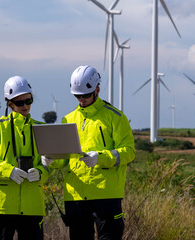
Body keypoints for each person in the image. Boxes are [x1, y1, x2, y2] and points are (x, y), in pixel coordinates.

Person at [43, 65, 136, 240]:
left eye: (85, 95)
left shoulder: (115, 117)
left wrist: (100, 158)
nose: (81, 99)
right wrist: (51, 159)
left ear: (97, 90)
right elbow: (64, 159)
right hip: (76, 195)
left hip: (106, 194)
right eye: (77, 96)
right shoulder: (68, 119)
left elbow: (129, 152)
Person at [0, 76, 49, 240]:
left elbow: (52, 163)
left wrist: (42, 171)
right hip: (1, 207)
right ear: (9, 103)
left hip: (32, 207)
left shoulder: (41, 129)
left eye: (28, 101)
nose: (25, 106)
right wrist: (8, 171)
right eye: (20, 103)